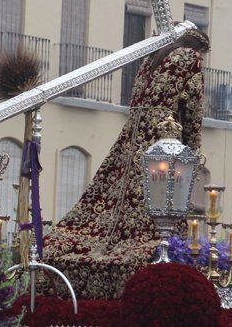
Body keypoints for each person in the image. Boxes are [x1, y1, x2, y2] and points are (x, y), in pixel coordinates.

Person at [42, 27, 210, 299]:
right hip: (163, 138)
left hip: (131, 140)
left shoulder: (151, 57)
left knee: (109, 201)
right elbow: (192, 110)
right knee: (161, 209)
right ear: (198, 47)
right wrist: (192, 153)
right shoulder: (191, 58)